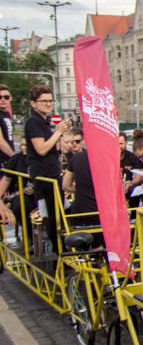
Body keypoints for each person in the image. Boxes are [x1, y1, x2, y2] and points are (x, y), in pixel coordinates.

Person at [25, 85, 71, 252]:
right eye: (43, 101)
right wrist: (58, 132)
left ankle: (62, 251)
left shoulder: (42, 121)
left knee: (57, 215)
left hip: (50, 173)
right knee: (54, 217)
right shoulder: (33, 122)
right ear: (33, 103)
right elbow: (41, 149)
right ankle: (61, 253)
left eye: (50, 100)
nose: (48, 104)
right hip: (45, 176)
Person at [119, 132, 143, 208]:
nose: (118, 146)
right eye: (116, 144)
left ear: (126, 143)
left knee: (135, 192)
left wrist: (130, 184)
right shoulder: (108, 158)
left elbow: (138, 177)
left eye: (121, 144)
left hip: (128, 185)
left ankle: (134, 217)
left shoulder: (132, 157)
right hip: (113, 187)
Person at [0, 85, 16, 166]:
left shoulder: (6, 114)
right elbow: (1, 142)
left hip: (7, 159)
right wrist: (14, 157)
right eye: (0, 97)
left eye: (6, 97)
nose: (3, 99)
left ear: (10, 98)